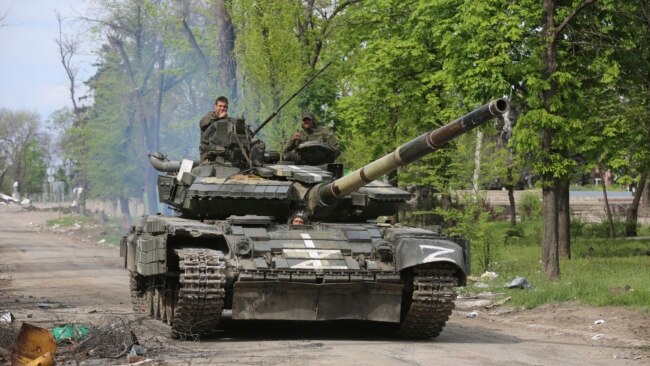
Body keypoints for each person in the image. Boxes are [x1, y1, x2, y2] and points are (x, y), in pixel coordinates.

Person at [199, 96, 229, 161]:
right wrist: (218, 117)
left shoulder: (228, 121)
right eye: (220, 106)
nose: (222, 108)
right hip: (208, 155)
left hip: (224, 155)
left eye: (225, 106)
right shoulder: (209, 117)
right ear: (215, 107)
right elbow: (202, 124)